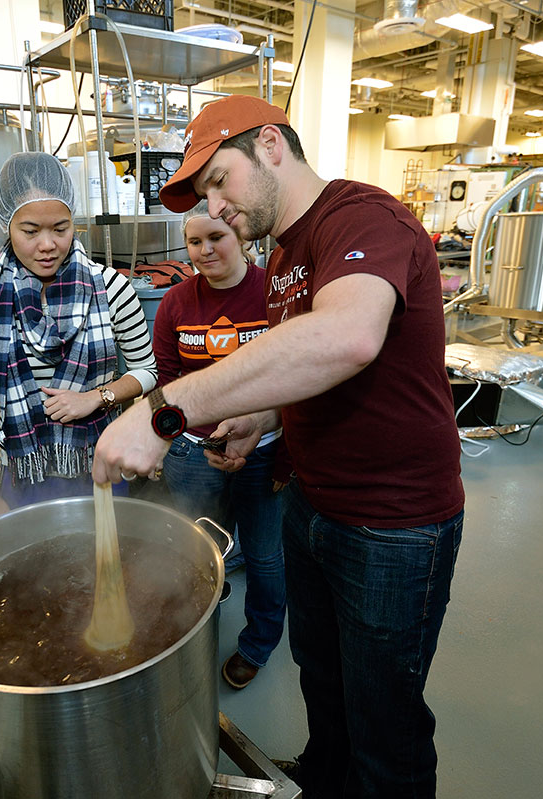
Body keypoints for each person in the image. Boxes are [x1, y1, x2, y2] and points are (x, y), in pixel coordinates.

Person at [91, 96, 465, 797]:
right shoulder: (289, 252)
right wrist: (263, 417)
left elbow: (348, 337)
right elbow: (318, 371)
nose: (216, 207)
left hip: (394, 525)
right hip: (315, 506)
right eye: (203, 195)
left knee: (386, 720)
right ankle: (326, 779)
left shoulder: (361, 216)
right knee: (324, 680)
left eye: (219, 181)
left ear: (269, 145)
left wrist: (164, 410)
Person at [0, 151, 156, 519]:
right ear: (7, 225)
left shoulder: (111, 288)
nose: (47, 244)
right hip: (24, 474)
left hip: (102, 462)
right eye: (30, 231)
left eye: (60, 229)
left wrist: (97, 397)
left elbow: (147, 371)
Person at [152, 199, 285, 690]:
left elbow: (294, 373)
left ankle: (257, 644)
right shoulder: (176, 303)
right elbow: (165, 382)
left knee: (266, 553)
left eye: (217, 238)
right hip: (194, 451)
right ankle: (194, 636)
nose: (205, 250)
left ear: (242, 235)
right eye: (194, 241)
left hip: (264, 446)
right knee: (197, 550)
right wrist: (166, 441)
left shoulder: (273, 293)